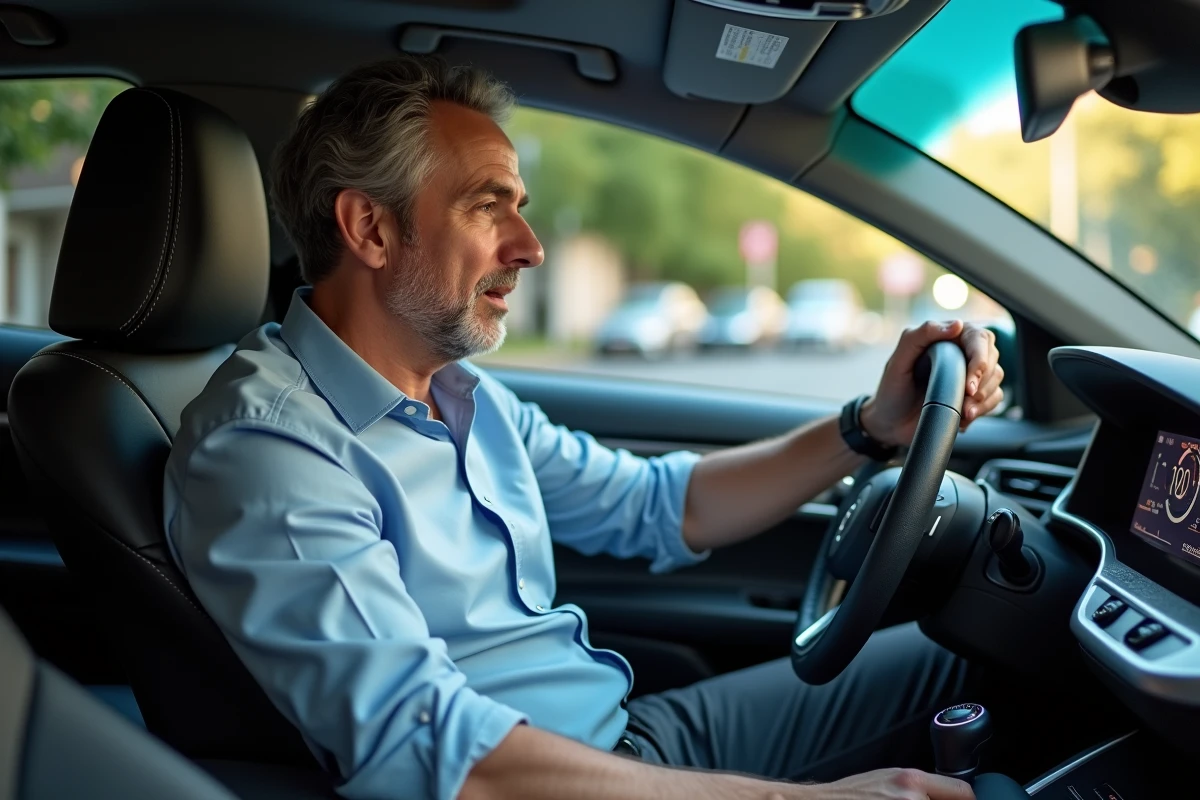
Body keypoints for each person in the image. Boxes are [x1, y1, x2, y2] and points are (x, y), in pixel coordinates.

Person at [163, 56, 1004, 800]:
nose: (530, 246)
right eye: (488, 207)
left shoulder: (464, 395)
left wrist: (868, 426)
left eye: (520, 207)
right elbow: (442, 755)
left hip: (623, 741)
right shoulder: (269, 449)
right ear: (370, 228)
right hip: (545, 777)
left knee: (976, 647)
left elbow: (663, 506)